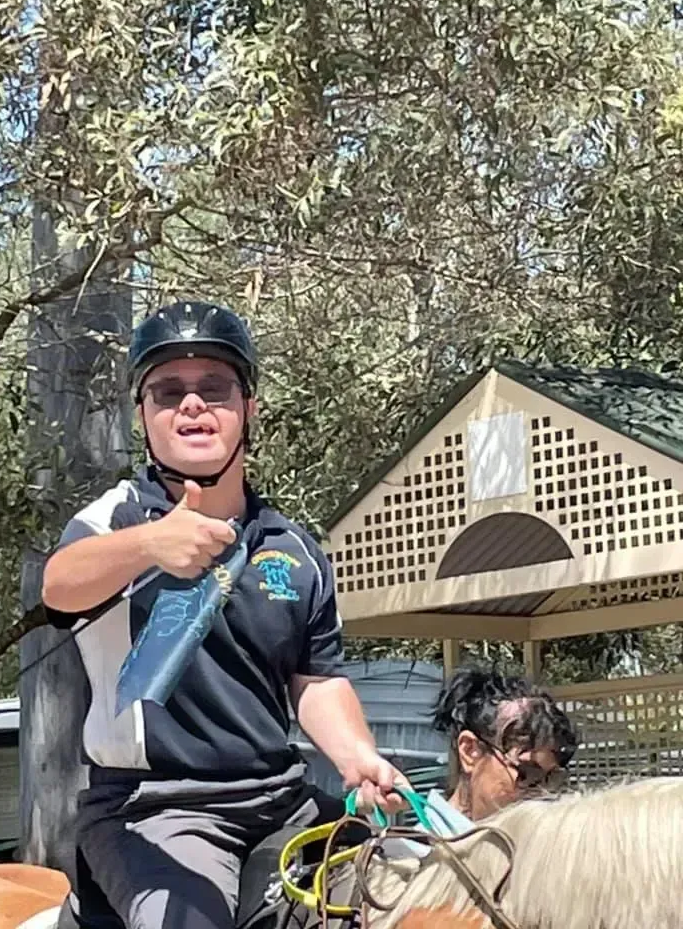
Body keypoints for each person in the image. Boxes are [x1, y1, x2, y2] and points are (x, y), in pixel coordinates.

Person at [42, 299, 407, 929]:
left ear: (248, 407)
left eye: (214, 387)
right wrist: (147, 546)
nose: (191, 404)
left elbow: (316, 680)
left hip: (282, 800)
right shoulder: (113, 522)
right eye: (167, 391)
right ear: (143, 416)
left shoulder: (294, 551)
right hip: (153, 808)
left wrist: (357, 758)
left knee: (424, 886)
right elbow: (60, 587)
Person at [431, 663, 579, 821]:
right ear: (469, 751)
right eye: (527, 774)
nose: (542, 795)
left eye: (552, 778)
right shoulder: (416, 845)